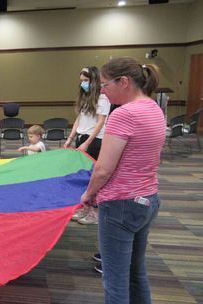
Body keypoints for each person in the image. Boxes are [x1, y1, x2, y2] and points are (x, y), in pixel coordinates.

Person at [80, 57, 164, 304]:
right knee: (136, 273)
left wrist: (88, 195)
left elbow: (104, 169)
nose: (102, 90)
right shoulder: (153, 108)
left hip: (121, 205)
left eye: (105, 85)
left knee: (115, 279)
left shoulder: (123, 114)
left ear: (124, 82)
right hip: (148, 199)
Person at [65, 66, 111, 225]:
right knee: (84, 175)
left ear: (94, 80)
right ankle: (85, 206)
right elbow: (79, 119)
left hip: (95, 140)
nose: (83, 84)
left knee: (94, 176)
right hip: (82, 137)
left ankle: (95, 211)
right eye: (82, 81)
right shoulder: (85, 97)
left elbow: (100, 122)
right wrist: (70, 138)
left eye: (86, 81)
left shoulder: (102, 98)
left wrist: (87, 142)